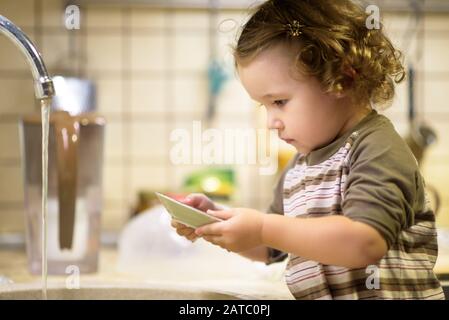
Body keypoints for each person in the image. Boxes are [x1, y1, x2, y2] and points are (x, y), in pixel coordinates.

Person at [171, 0, 445, 299]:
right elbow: (272, 248)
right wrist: (219, 225)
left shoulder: (376, 148)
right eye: (263, 105)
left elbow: (364, 242)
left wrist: (263, 227)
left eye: (279, 102)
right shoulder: (299, 168)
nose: (271, 122)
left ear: (342, 79)